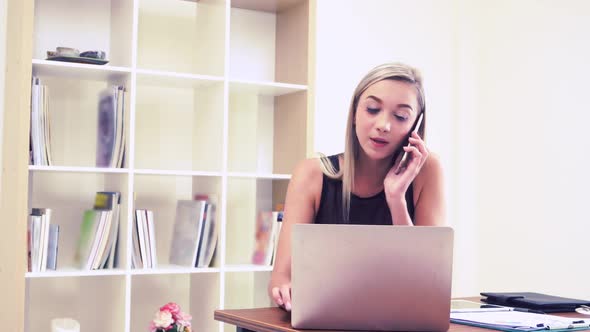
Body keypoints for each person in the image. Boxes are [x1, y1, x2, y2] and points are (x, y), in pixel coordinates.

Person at [268, 62, 446, 311]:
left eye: (401, 116)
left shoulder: (428, 171)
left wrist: (396, 199)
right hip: (324, 320)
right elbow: (281, 278)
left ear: (414, 127)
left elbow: (428, 283)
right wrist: (286, 294)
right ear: (354, 113)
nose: (384, 125)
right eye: (373, 109)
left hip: (400, 321)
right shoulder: (312, 174)